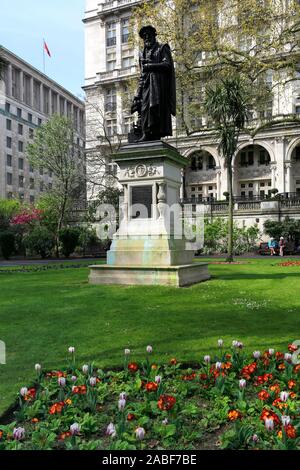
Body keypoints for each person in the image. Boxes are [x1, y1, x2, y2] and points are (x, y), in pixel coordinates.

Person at [131, 25, 176, 142]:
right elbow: (142, 75)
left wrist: (151, 66)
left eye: (148, 35)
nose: (146, 37)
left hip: (159, 86)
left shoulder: (162, 48)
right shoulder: (142, 53)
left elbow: (167, 65)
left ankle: (155, 133)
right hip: (147, 86)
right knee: (145, 108)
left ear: (154, 35)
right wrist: (137, 93)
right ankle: (146, 133)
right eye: (144, 36)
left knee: (156, 110)